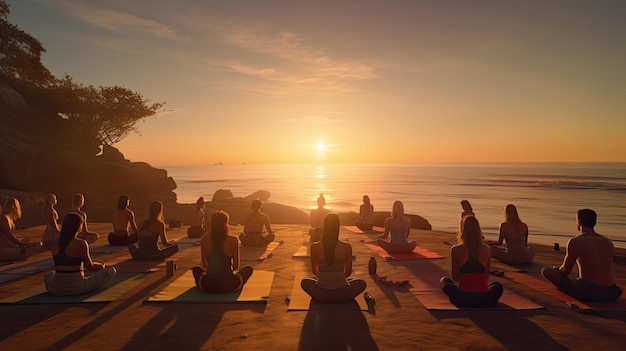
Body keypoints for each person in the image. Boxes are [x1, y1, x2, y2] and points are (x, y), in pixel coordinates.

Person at [541, 209, 622, 302]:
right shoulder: (608, 242)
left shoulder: (576, 241)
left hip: (590, 291)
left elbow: (566, 270)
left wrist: (557, 270)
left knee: (546, 271)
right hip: (612, 292)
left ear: (579, 222)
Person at [44, 213, 117, 296]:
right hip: (77, 287)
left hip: (56, 289)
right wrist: (102, 266)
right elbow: (90, 267)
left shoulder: (54, 242)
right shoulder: (81, 243)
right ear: (78, 226)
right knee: (110, 270)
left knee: (48, 275)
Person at [440, 215, 504, 307]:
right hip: (485, 299)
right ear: (478, 231)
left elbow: (455, 278)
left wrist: (467, 278)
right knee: (497, 286)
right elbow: (486, 277)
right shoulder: (486, 249)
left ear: (462, 230)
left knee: (444, 281)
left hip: (463, 299)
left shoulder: (455, 249)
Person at [301, 213, 366, 303]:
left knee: (305, 282)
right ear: (337, 228)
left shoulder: (314, 247)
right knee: (360, 283)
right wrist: (337, 279)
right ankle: (339, 296)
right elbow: (347, 272)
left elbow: (315, 272)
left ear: (324, 227)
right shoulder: (346, 247)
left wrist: (326, 278)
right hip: (342, 293)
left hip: (321, 293)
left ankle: (325, 296)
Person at [192, 211, 254, 293]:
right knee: (248, 269)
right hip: (228, 286)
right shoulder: (233, 240)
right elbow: (235, 266)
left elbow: (205, 265)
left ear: (212, 224)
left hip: (208, 286)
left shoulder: (204, 239)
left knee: (196, 269)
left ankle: (205, 285)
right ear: (226, 224)